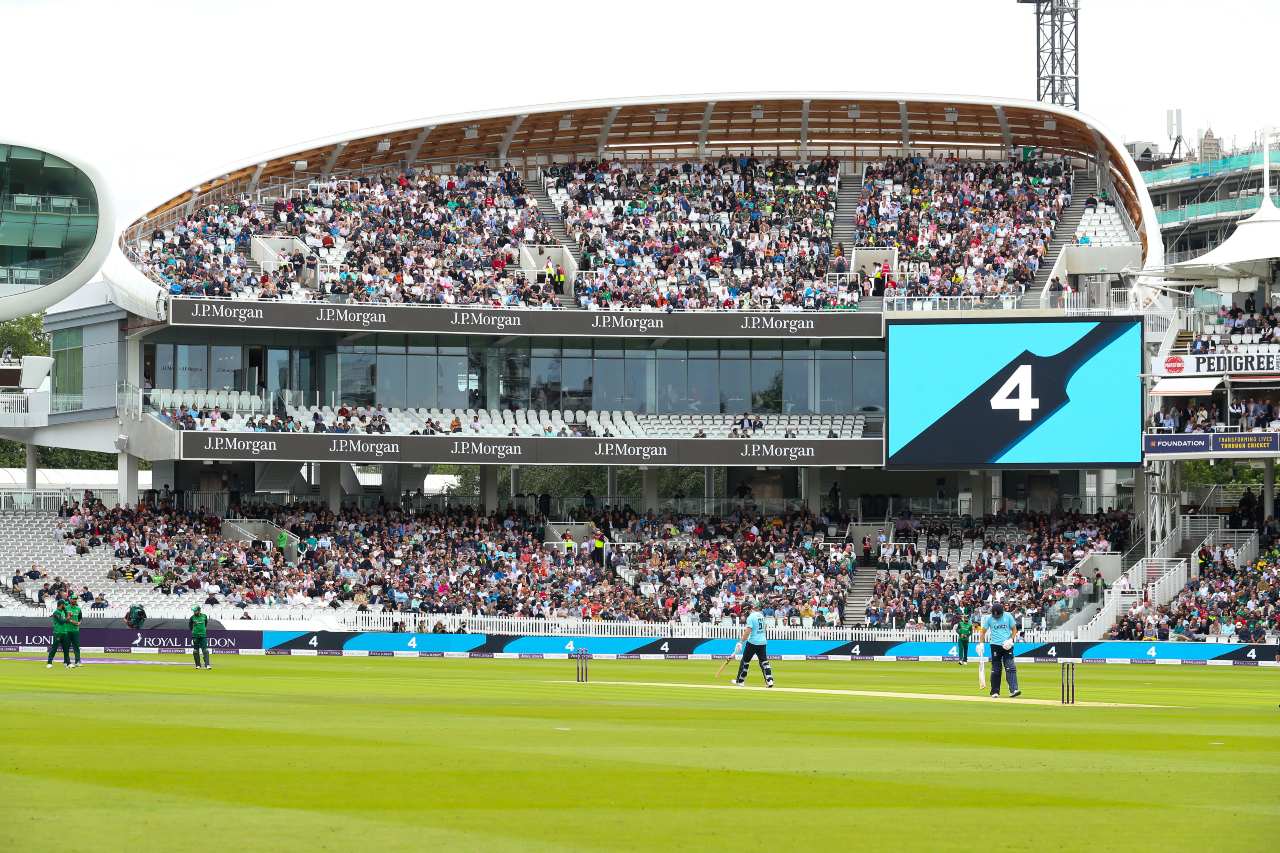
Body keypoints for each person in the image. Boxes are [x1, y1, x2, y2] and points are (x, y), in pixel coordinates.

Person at [980, 602, 1020, 698]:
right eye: (995, 615)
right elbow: (983, 632)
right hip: (995, 645)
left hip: (1007, 645)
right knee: (996, 669)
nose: (996, 617)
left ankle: (1013, 690)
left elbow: (1014, 629)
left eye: (998, 615)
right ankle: (995, 692)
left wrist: (1011, 639)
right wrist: (981, 644)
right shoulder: (989, 618)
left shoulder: (1008, 616)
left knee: (1010, 667)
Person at [733, 600, 775, 688]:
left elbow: (748, 631)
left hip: (753, 642)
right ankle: (769, 680)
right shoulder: (760, 614)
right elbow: (765, 627)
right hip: (763, 642)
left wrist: (740, 642)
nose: (743, 613)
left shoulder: (750, 617)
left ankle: (740, 681)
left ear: (746, 609)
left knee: (745, 661)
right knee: (764, 661)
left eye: (743, 611)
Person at [46, 600, 72, 669]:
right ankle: (49, 662)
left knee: (66, 649)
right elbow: (61, 621)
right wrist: (68, 618)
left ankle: (68, 663)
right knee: (54, 648)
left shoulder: (63, 612)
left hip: (64, 632)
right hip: (58, 633)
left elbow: (67, 622)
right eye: (64, 605)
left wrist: (67, 614)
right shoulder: (56, 612)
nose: (65, 606)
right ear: (61, 605)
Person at [189, 604, 211, 670]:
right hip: (195, 636)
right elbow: (190, 626)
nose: (194, 612)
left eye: (195, 611)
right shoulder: (192, 617)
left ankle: (207, 664)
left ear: (199, 610)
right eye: (194, 611)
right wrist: (194, 631)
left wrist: (202, 630)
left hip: (203, 635)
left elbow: (206, 623)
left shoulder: (204, 616)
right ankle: (198, 665)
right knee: (195, 651)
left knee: (205, 650)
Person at [64, 596, 83, 667]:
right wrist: (73, 621)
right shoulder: (66, 608)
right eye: (73, 599)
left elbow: (80, 618)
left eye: (76, 599)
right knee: (66, 647)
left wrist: (79, 623)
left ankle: (77, 661)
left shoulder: (78, 609)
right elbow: (64, 618)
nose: (75, 600)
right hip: (67, 630)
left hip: (75, 631)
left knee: (76, 647)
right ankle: (66, 661)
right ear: (70, 599)